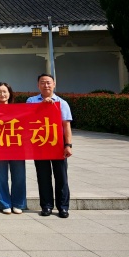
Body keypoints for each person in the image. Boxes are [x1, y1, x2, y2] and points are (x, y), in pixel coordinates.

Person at [27, 73, 73, 218]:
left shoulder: (62, 103)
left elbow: (66, 126)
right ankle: (46, 206)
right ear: (38, 85)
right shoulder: (31, 101)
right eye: (42, 82)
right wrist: (42, 106)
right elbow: (28, 119)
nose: (46, 85)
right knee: (43, 177)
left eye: (48, 82)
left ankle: (63, 207)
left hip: (57, 145)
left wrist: (68, 145)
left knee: (61, 177)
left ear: (54, 84)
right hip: (40, 144)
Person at [0, 82, 26, 215]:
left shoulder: (19, 110)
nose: (2, 94)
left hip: (17, 147)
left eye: (5, 91)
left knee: (19, 176)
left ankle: (18, 203)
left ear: (10, 93)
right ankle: (4, 203)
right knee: (1, 177)